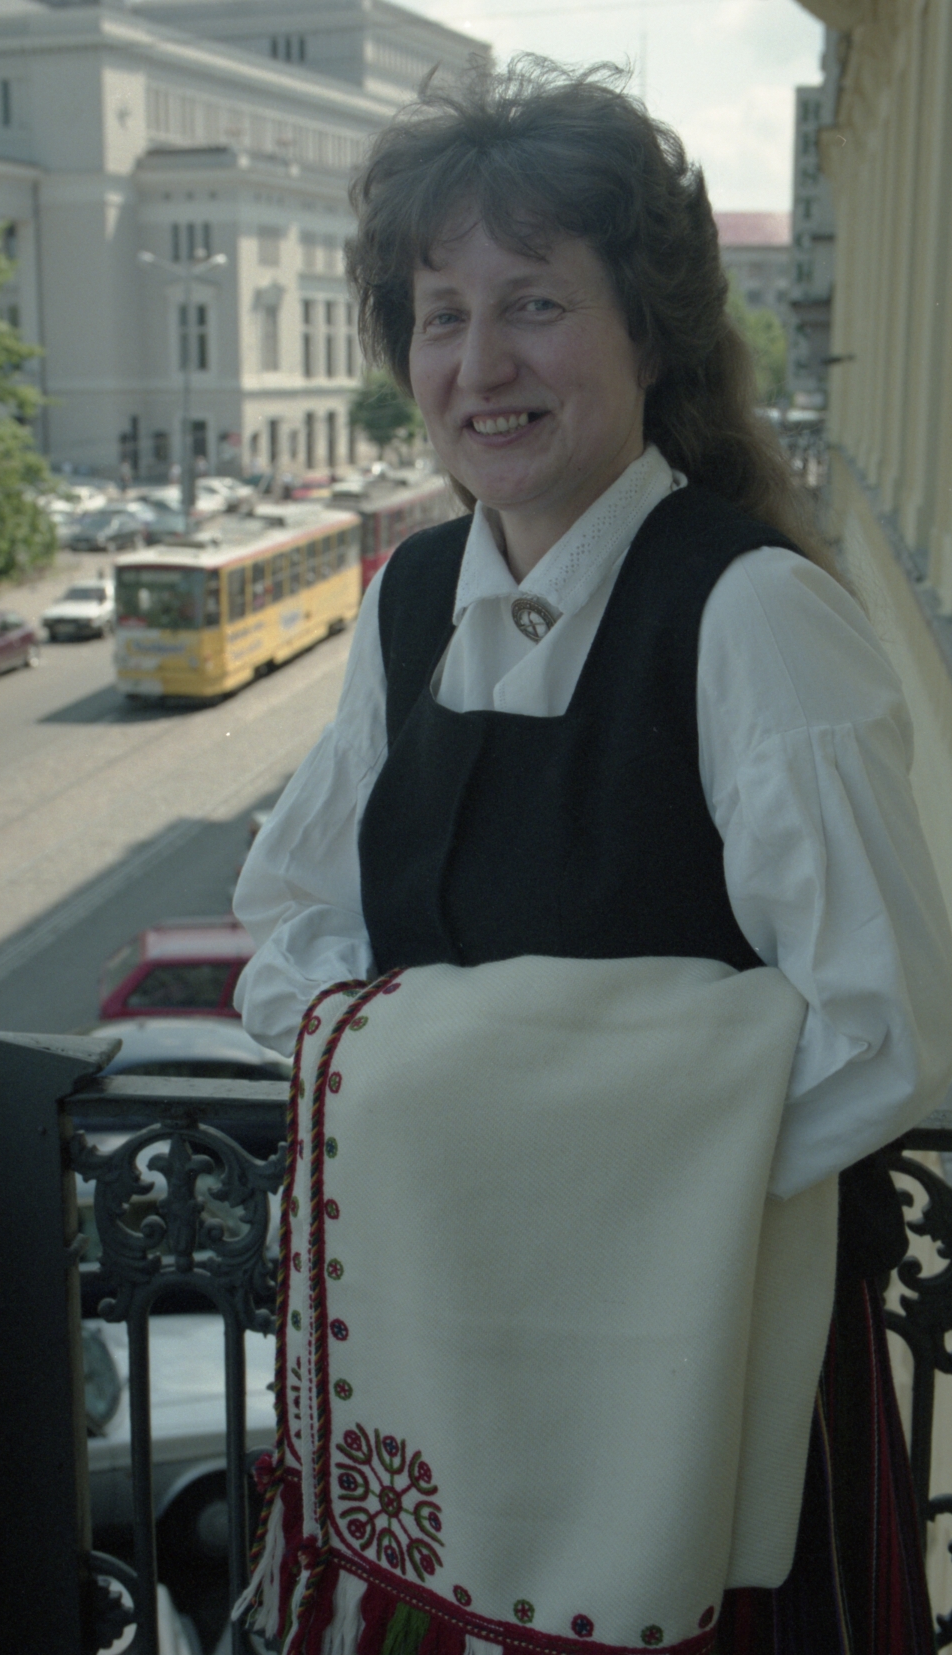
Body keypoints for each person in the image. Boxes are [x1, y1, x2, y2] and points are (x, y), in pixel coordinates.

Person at [234, 58, 952, 1655]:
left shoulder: (754, 616)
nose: (481, 363)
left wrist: (600, 1207)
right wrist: (461, 1143)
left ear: (651, 333)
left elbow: (887, 1027)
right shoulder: (410, 601)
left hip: (690, 1368)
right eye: (441, 315)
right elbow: (293, 937)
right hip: (446, 1337)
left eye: (537, 304)